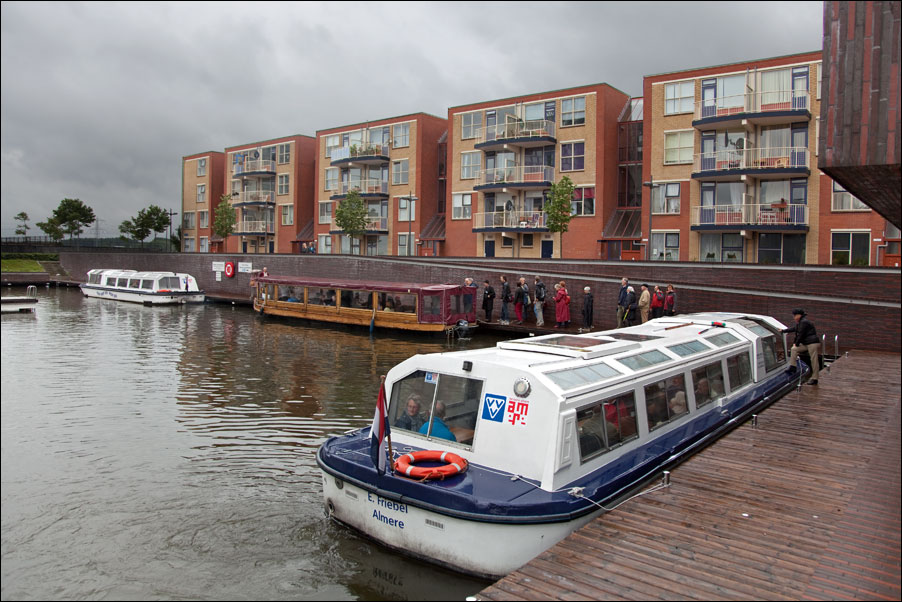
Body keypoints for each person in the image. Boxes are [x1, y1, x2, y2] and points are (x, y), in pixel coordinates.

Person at [783, 308, 820, 385]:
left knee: (814, 360)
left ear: (799, 315)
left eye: (795, 315)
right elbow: (794, 329)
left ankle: (815, 378)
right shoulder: (801, 322)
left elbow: (800, 334)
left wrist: (796, 343)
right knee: (794, 349)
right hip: (807, 343)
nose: (794, 317)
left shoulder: (804, 322)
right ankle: (793, 366)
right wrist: (783, 331)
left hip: (812, 343)